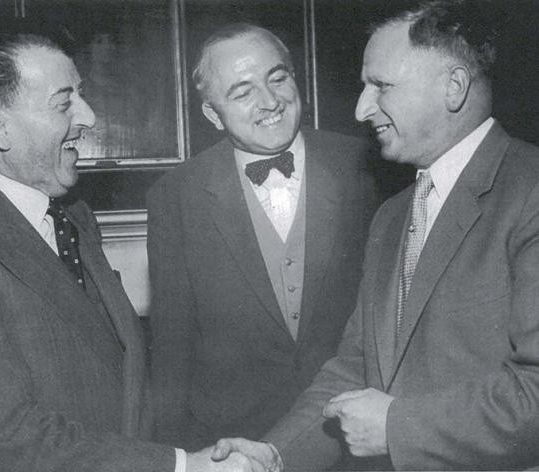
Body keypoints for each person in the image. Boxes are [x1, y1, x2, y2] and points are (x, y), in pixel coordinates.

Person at [0, 31, 278, 472]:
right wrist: (184, 466)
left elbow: (123, 376)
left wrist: (213, 448)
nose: (89, 116)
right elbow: (9, 434)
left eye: (81, 96)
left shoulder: (74, 216)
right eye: (64, 103)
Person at [216, 0, 539, 470]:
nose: (361, 108)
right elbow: (355, 368)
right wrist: (273, 456)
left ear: (453, 87)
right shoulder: (391, 216)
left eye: (381, 87)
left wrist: (396, 425)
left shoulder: (529, 192)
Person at [147, 23, 379, 450]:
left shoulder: (368, 169)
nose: (270, 101)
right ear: (212, 114)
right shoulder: (175, 196)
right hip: (233, 445)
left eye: (277, 78)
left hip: (351, 438)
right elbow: (170, 349)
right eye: (242, 91)